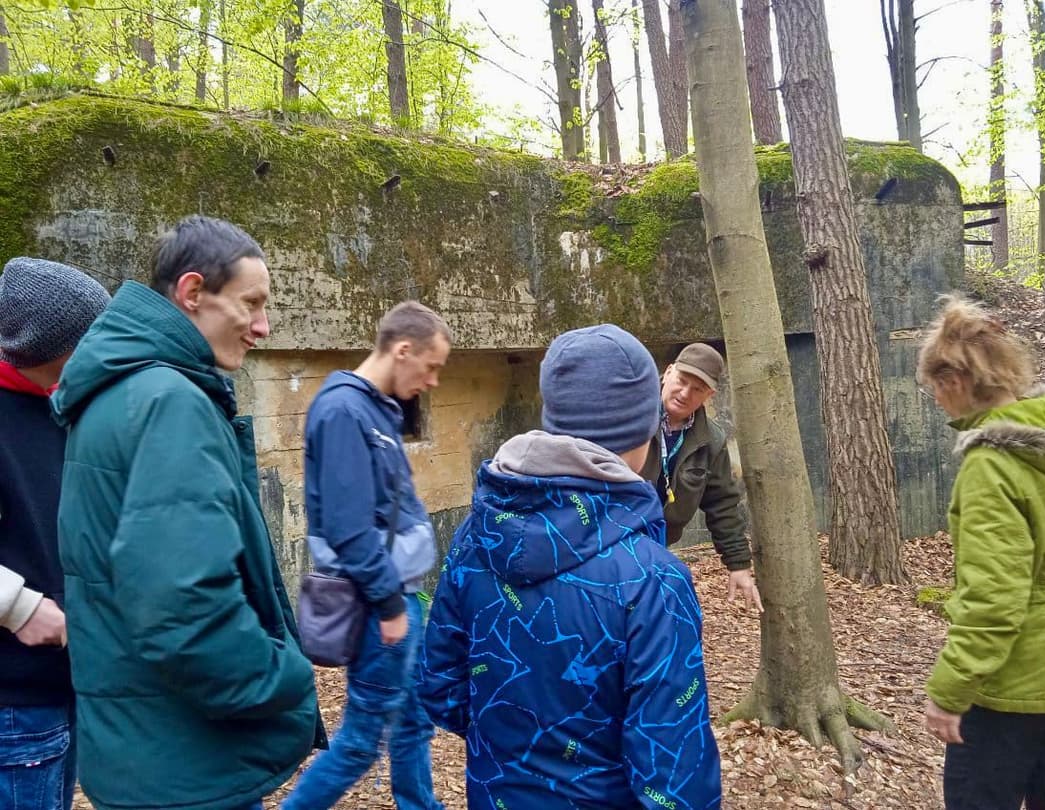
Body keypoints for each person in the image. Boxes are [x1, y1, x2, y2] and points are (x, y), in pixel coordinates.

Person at [51, 216, 322, 810]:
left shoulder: (118, 392)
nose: (262, 326)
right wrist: (285, 675)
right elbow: (182, 602)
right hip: (187, 763)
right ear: (193, 292)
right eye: (251, 303)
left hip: (145, 752)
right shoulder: (170, 402)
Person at [421, 323, 723, 810]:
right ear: (645, 425)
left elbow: (441, 690)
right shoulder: (655, 580)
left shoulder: (475, 537)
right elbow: (673, 772)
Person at [283, 301, 449, 810]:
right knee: (361, 739)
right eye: (432, 366)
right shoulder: (342, 411)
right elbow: (348, 526)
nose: (434, 380)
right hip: (376, 603)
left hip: (398, 592)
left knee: (414, 716)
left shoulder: (376, 407)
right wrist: (389, 605)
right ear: (403, 350)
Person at [918, 295, 1045, 810]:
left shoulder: (991, 466)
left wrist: (950, 690)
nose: (938, 401)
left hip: (1012, 691)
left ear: (955, 382)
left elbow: (994, 599)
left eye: (935, 389)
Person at [0, 257, 110, 810]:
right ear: (55, 346)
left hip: (61, 679)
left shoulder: (62, 405)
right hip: (12, 701)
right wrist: (17, 606)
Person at [641, 342, 763, 612]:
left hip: (659, 544)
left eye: (697, 389)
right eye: (682, 381)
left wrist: (738, 564)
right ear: (668, 371)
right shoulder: (630, 413)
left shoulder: (712, 440)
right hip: (611, 538)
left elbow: (722, 504)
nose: (685, 393)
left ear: (710, 394)